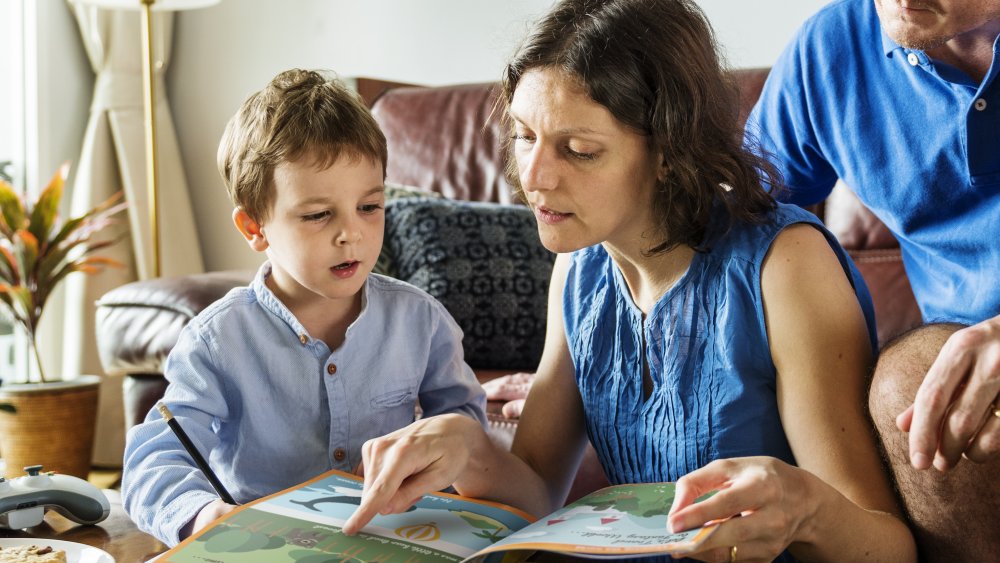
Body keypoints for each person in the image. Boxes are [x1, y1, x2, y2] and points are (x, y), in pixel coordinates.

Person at [341, 1, 918, 561]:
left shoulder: (784, 266)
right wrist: (465, 445)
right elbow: (538, 486)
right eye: (523, 136)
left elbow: (888, 550)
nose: (533, 177)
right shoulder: (579, 266)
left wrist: (808, 511)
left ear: (669, 151)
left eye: (579, 150)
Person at [121, 69, 487, 546]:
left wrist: (446, 450)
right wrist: (203, 516)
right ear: (255, 228)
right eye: (318, 215)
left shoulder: (420, 319)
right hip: (266, 548)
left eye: (370, 206)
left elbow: (467, 430)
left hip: (392, 541)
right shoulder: (217, 339)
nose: (350, 233)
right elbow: (155, 458)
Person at [744, 0, 1000, 558]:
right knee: (917, 383)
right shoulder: (833, 47)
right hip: (959, 378)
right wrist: (588, 364)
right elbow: (729, 221)